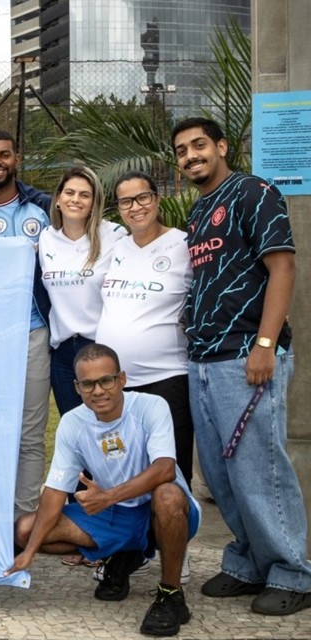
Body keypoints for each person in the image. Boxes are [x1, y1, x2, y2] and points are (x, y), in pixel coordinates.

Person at [172, 116, 311, 615]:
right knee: (222, 471)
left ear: (222, 146)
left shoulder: (254, 191)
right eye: (183, 150)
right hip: (205, 358)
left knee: (259, 467)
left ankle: (293, 571)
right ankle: (250, 562)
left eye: (200, 145)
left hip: (245, 354)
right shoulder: (199, 210)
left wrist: (266, 344)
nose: (191, 156)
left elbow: (283, 266)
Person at [8, 343, 199, 637]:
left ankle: (170, 595)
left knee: (168, 494)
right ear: (77, 386)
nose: (98, 391)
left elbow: (165, 470)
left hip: (160, 511)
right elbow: (56, 491)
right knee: (25, 530)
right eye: (88, 384)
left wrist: (108, 496)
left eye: (105, 380)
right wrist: (29, 551)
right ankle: (123, 556)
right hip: (115, 515)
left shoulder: (151, 407)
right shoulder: (72, 423)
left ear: (121, 379)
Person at [0, 130, 53, 521]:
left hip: (34, 332)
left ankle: (23, 521)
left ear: (17, 158)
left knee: (30, 433)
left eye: (3, 155)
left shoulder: (44, 209)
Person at [96, 171, 194, 486]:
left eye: (142, 197)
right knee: (122, 470)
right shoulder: (114, 246)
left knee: (170, 476)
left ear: (156, 198)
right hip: (116, 384)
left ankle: (172, 536)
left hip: (165, 379)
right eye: (126, 201)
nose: (135, 207)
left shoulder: (183, 244)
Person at [38, 166, 128, 415]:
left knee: (109, 426)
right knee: (76, 428)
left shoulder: (115, 235)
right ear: (57, 199)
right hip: (63, 354)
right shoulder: (46, 239)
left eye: (84, 195)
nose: (75, 200)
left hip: (101, 346)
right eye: (69, 192)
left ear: (94, 202)